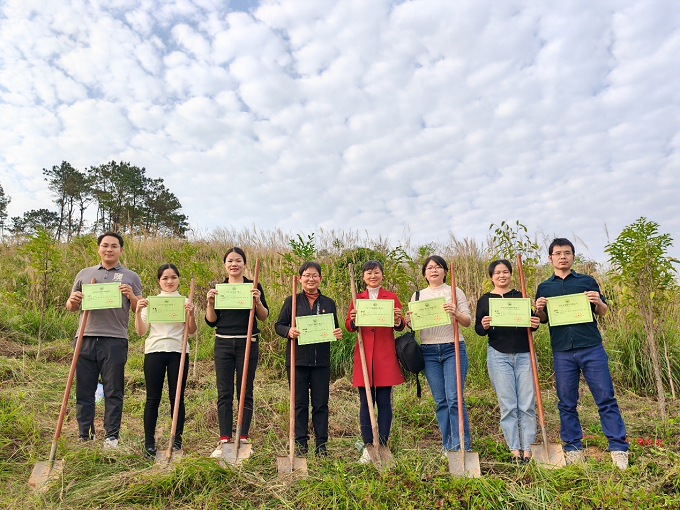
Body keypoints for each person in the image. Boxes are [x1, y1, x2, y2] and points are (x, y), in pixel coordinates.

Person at [535, 238, 629, 469]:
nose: (562, 257)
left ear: (573, 256)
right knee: (566, 402)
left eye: (567, 253)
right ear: (550, 258)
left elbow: (603, 311)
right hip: (562, 351)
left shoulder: (587, 281)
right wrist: (538, 309)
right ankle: (573, 447)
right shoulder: (545, 287)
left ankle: (618, 448)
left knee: (605, 398)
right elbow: (544, 320)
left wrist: (598, 301)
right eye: (557, 253)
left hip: (591, 347)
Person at [66, 232, 143, 448]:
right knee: (84, 389)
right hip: (85, 338)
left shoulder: (130, 276)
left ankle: (111, 437)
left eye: (114, 246)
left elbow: (139, 310)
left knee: (113, 390)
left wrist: (132, 296)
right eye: (105, 245)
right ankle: (85, 435)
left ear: (121, 250)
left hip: (115, 340)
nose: (109, 249)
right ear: (99, 248)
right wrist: (72, 300)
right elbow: (71, 307)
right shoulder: (85, 273)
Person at [405, 255, 472, 453]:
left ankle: (463, 446)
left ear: (445, 271)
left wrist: (455, 313)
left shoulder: (454, 291)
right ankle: (448, 447)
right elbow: (415, 327)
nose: (434, 270)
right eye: (429, 268)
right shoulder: (417, 296)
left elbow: (467, 321)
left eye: (438, 267)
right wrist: (410, 321)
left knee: (454, 399)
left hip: (453, 348)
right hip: (429, 352)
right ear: (424, 273)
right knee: (441, 401)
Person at [274, 261, 343, 456]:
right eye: (307, 275)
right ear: (300, 279)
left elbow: (334, 328)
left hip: (321, 362)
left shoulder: (329, 303)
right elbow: (278, 325)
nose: (311, 278)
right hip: (297, 361)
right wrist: (289, 331)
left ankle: (321, 445)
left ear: (320, 279)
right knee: (299, 403)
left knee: (321, 404)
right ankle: (301, 444)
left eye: (315, 275)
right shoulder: (292, 301)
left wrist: (337, 333)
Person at [205, 247, 268, 457]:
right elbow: (211, 322)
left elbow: (264, 316)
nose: (234, 264)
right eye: (230, 260)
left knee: (245, 391)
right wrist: (210, 303)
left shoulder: (253, 286)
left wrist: (257, 300)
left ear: (244, 264)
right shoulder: (219, 288)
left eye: (238, 260)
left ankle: (243, 436)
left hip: (247, 342)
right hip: (223, 344)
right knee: (224, 393)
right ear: (225, 264)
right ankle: (224, 439)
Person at [475, 259, 540, 463]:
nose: (502, 275)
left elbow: (531, 325)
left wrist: (535, 321)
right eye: (497, 273)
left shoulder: (520, 297)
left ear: (511, 274)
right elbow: (478, 329)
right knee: (508, 405)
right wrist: (484, 325)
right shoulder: (485, 300)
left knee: (527, 404)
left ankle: (528, 449)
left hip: (524, 354)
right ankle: (514, 449)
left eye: (505, 272)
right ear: (491, 276)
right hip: (498, 355)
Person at [134, 263, 197, 457]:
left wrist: (191, 313)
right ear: (159, 281)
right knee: (152, 398)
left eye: (173, 277)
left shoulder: (186, 301)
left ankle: (176, 440)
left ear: (179, 279)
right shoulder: (150, 302)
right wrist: (137, 311)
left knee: (176, 398)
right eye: (165, 278)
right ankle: (149, 441)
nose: (170, 281)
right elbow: (140, 331)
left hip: (178, 352)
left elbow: (192, 331)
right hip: (154, 352)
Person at [345, 260, 405, 463]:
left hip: (384, 355)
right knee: (365, 402)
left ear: (382, 275)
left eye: (376, 272)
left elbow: (399, 325)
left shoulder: (391, 297)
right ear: (363, 277)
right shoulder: (357, 297)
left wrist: (398, 319)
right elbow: (349, 326)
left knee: (384, 402)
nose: (373, 276)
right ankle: (368, 446)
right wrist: (353, 319)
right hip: (363, 356)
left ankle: (383, 444)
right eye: (369, 273)